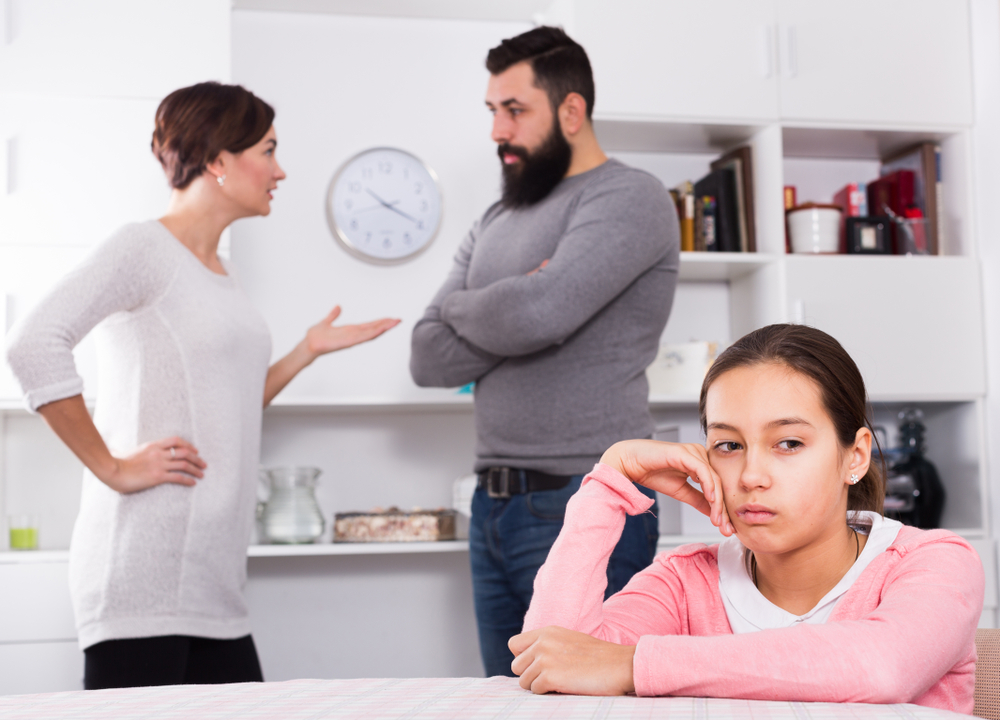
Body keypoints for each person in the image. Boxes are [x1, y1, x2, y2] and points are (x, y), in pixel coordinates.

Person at [4, 82, 400, 690]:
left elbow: (228, 406)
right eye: (268, 150)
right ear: (218, 160)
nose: (281, 170)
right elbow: (33, 344)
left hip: (214, 583)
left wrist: (304, 352)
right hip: (143, 574)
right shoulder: (143, 248)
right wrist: (111, 467)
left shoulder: (221, 272)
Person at [510, 324, 984, 714]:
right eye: (729, 445)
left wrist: (635, 664)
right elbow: (550, 662)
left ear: (855, 456)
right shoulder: (685, 580)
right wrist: (610, 480)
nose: (751, 476)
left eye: (789, 443)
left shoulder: (933, 563)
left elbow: (883, 666)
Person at [409, 26, 679, 677]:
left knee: (585, 698)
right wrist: (523, 300)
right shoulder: (495, 221)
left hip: (585, 499)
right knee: (506, 701)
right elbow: (428, 357)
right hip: (492, 506)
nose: (498, 129)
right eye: (492, 112)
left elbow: (541, 312)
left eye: (515, 110)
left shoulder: (627, 197)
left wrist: (485, 305)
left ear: (571, 110)